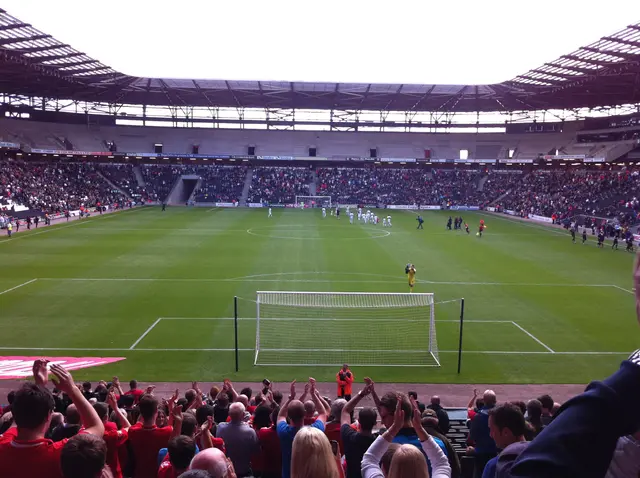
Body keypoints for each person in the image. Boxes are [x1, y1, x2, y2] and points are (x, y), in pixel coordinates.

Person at [0, 360, 105, 478]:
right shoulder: (62, 454)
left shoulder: (3, 444)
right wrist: (72, 389)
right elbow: (96, 427)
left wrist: (39, 388)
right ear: (48, 416)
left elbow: (18, 416)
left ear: (14, 412)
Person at [361, 394, 451, 478]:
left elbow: (369, 460)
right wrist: (419, 427)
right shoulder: (439, 444)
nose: (382, 422)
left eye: (384, 417)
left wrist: (395, 427)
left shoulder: (384, 448)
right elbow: (441, 464)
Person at [278, 379, 328, 478]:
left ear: (289, 416)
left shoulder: (283, 432)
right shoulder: (315, 431)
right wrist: (313, 394)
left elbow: (281, 416)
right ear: (305, 414)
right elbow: (323, 413)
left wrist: (291, 398)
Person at [127, 394, 176, 478]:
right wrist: (171, 407)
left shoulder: (133, 431)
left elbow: (139, 421)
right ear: (156, 411)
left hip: (139, 475)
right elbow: (171, 427)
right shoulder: (166, 432)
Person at [481, 403, 527, 478]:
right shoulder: (541, 458)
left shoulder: (494, 466)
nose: (491, 435)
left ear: (505, 432)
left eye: (492, 430)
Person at [341, 385, 377, 478]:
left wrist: (361, 394)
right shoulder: (379, 441)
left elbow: (345, 410)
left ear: (358, 421)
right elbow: (387, 421)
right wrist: (373, 393)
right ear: (375, 423)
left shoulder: (348, 435)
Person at [216, 402, 258, 477]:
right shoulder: (250, 432)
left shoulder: (220, 427)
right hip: (244, 471)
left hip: (226, 471)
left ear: (229, 414)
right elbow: (255, 451)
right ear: (243, 415)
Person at [469, 390, 498, 478]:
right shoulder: (501, 414)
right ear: (495, 400)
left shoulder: (478, 416)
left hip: (481, 453)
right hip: (497, 452)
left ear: (484, 400)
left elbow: (472, 437)